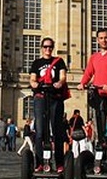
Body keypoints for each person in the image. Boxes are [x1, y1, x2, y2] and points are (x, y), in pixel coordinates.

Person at [79, 28, 107, 159]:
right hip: (98, 97)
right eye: (101, 38)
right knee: (99, 130)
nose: (103, 40)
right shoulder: (94, 57)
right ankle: (100, 158)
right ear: (97, 40)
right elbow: (88, 72)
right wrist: (83, 83)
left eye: (106, 38)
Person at [29, 36, 69, 172]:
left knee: (57, 132)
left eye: (50, 47)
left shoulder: (59, 61)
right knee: (40, 131)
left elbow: (63, 77)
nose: (48, 49)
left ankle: (59, 163)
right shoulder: (37, 63)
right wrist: (35, 84)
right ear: (42, 48)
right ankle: (39, 162)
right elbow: (33, 79)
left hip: (55, 98)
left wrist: (59, 83)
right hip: (40, 98)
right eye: (45, 47)